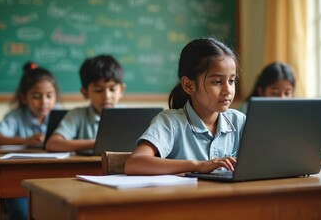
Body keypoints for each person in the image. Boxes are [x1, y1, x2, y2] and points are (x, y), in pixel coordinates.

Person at [124, 37, 246, 175]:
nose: (228, 90)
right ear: (189, 85)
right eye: (217, 82)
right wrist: (197, 165)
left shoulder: (239, 121)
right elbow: (134, 163)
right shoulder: (170, 122)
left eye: (231, 81)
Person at [0, 62, 60, 220]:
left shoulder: (61, 116)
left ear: (55, 96)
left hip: (52, 177)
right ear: (23, 98)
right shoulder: (16, 116)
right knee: (21, 212)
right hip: (18, 180)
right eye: (36, 96)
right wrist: (26, 140)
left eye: (49, 96)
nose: (44, 102)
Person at [45, 54, 125, 153]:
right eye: (98, 90)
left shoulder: (129, 116)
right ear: (85, 93)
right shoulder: (77, 115)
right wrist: (96, 143)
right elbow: (52, 144)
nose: (107, 96)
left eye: (112, 89)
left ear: (121, 90)